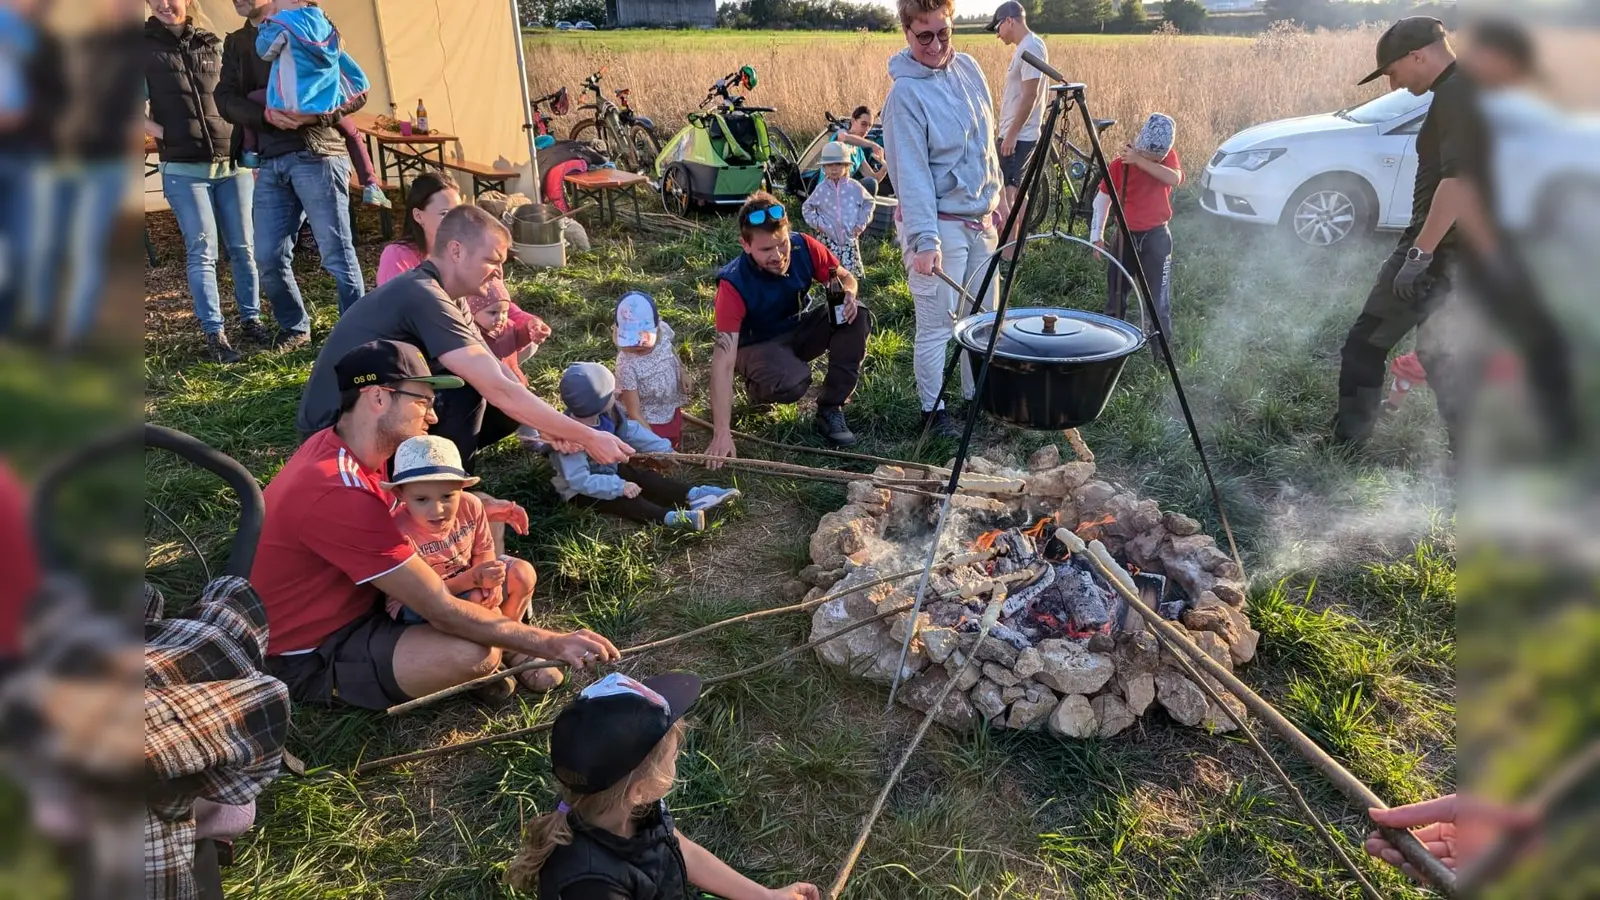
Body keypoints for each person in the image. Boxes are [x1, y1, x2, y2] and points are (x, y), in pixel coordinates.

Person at [252, 339, 621, 709]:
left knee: (481, 528)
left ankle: (505, 641)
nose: (432, 416)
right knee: (474, 653)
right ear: (378, 398)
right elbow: (439, 607)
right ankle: (503, 650)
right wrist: (551, 642)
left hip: (361, 597)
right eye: (423, 401)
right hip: (316, 647)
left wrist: (480, 504)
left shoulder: (356, 450)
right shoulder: (338, 490)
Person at [294, 205, 633, 472]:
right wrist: (587, 435)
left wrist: (551, 427)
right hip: (334, 434)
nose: (499, 272)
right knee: (469, 391)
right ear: (456, 251)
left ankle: (431, 475)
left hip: (376, 412)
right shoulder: (423, 294)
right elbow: (493, 387)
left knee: (505, 394)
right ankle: (444, 492)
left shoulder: (451, 298)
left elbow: (501, 375)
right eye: (492, 260)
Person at [1332, 16, 1507, 456]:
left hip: (1441, 252)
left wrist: (1419, 255)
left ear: (1418, 55)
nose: (1391, 83)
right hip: (1467, 253)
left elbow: (1459, 181)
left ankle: (1348, 444)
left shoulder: (1457, 94)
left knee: (1364, 343)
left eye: (1392, 71)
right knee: (1441, 356)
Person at [506, 672, 822, 900]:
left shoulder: (629, 807)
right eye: (674, 755)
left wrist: (765, 897)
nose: (680, 757)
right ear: (641, 788)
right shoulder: (591, 884)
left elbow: (681, 849)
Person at [882, 0, 1003, 438]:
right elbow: (909, 174)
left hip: (980, 219)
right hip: (940, 225)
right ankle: (933, 414)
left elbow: (987, 143)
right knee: (937, 325)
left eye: (944, 33)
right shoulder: (905, 96)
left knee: (982, 318)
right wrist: (924, 241)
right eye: (925, 36)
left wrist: (998, 198)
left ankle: (977, 401)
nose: (936, 45)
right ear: (907, 34)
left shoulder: (969, 69)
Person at [217, 0, 367, 343]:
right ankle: (295, 326)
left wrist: (317, 117)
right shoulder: (237, 43)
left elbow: (357, 89)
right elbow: (224, 99)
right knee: (267, 255)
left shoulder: (311, 23)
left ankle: (356, 333)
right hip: (270, 161)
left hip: (318, 153)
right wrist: (264, 117)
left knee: (337, 252)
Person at [379, 434, 556, 694]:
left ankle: (507, 643)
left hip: (468, 576)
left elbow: (484, 548)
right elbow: (424, 594)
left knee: (522, 573)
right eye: (422, 499)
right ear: (400, 494)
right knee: (474, 598)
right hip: (418, 600)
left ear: (462, 488)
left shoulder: (472, 506)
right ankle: (487, 659)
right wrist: (475, 581)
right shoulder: (398, 532)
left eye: (447, 496)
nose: (437, 509)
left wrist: (491, 579)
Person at [144, 0, 266, 363]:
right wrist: (163, 132)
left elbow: (235, 94)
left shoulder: (212, 42)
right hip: (183, 169)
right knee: (203, 252)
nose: (165, 5)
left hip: (231, 165)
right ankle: (215, 333)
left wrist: (248, 144)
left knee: (244, 248)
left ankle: (251, 319)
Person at [706, 192, 868, 459]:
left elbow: (843, 277)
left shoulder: (804, 246)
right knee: (793, 382)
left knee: (857, 315)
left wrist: (848, 292)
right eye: (766, 250)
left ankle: (831, 408)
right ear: (745, 245)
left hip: (796, 327)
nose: (778, 256)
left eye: (782, 245)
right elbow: (722, 360)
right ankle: (758, 388)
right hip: (755, 345)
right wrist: (721, 432)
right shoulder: (733, 284)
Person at [550, 362, 738, 531]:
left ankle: (693, 495)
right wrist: (619, 487)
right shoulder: (569, 442)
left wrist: (664, 449)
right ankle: (670, 518)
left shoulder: (608, 414)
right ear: (597, 403)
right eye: (611, 392)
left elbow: (631, 431)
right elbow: (580, 481)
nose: (617, 392)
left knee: (645, 477)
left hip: (610, 469)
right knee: (626, 501)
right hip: (583, 490)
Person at [242, 0, 388, 209]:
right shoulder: (325, 23)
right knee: (353, 133)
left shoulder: (283, 22)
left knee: (252, 100)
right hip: (323, 101)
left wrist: (267, 23)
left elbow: (264, 51)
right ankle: (371, 184)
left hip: (292, 100)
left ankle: (250, 151)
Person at [1090, 113, 1182, 360]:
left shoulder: (1167, 159)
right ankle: (1111, 351)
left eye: (1158, 157)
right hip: (1125, 238)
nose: (1157, 159)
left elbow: (1175, 178)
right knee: (1116, 298)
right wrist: (1096, 236)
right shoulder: (1120, 165)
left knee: (1159, 302)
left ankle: (1162, 357)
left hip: (1157, 238)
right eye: (1152, 155)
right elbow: (1102, 200)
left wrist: (1142, 162)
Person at [988, 0, 1047, 258]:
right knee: (1015, 189)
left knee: (1009, 192)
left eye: (998, 27)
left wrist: (1011, 133)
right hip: (1018, 133)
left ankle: (1009, 255)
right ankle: (1016, 247)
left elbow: (1030, 95)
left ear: (1010, 20)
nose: (997, 34)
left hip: (1019, 136)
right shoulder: (1027, 46)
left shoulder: (1031, 47)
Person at [613, 291, 690, 450]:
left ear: (656, 327)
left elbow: (671, 351)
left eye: (643, 338)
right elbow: (634, 412)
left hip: (668, 404)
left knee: (673, 433)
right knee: (657, 455)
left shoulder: (663, 331)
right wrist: (655, 444)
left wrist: (683, 371)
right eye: (631, 339)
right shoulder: (626, 363)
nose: (637, 344)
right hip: (648, 419)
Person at [801, 141, 875, 279]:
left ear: (847, 166)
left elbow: (869, 203)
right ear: (824, 167)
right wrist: (818, 224)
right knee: (832, 274)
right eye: (829, 165)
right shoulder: (822, 189)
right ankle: (834, 297)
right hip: (829, 239)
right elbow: (807, 207)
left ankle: (852, 298)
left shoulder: (854, 187)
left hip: (849, 238)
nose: (834, 169)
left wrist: (860, 224)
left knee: (851, 276)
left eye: (838, 164)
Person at [831, 105, 886, 194]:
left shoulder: (859, 152)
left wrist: (885, 167)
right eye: (863, 124)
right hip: (828, 193)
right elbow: (844, 138)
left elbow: (873, 178)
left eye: (869, 126)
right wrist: (872, 144)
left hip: (844, 196)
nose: (866, 129)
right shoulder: (841, 134)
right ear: (853, 121)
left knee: (871, 183)